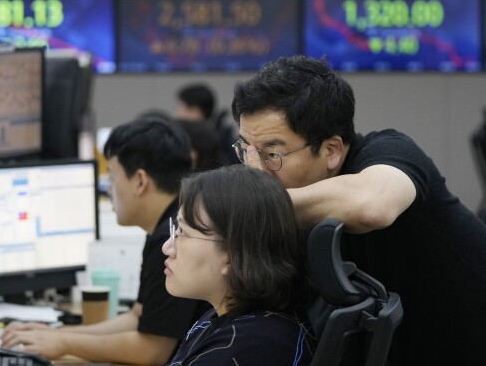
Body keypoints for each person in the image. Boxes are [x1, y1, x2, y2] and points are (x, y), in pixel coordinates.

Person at [231, 54, 486, 366]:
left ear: (332, 151)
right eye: (245, 150)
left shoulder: (390, 151)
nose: (254, 170)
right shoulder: (292, 198)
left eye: (272, 153)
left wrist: (245, 206)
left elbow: (372, 207)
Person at [1, 117, 210, 365]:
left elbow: (152, 351)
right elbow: (138, 317)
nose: (109, 189)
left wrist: (64, 343)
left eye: (112, 177)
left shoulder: (171, 239)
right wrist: (54, 336)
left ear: (140, 181)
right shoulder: (165, 226)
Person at [162, 165, 317, 365]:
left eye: (182, 232)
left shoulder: (246, 348)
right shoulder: (232, 318)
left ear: (232, 255)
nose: (168, 247)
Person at [176, 83, 239, 166]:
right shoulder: (224, 139)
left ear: (195, 112)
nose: (177, 115)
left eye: (180, 109)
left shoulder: (213, 146)